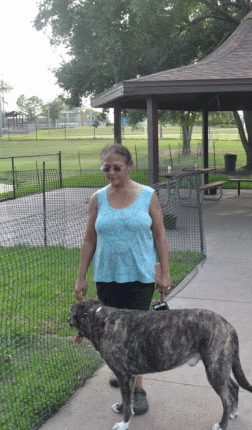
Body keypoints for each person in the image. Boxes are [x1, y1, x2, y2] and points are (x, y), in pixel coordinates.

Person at [74, 143, 171, 416]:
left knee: (136, 334)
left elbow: (160, 234)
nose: (112, 173)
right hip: (107, 275)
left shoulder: (147, 195)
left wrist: (164, 270)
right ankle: (122, 370)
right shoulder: (98, 198)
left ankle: (138, 389)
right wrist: (81, 277)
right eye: (107, 168)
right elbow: (89, 238)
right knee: (113, 331)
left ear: (129, 166)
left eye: (117, 167)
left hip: (140, 276)